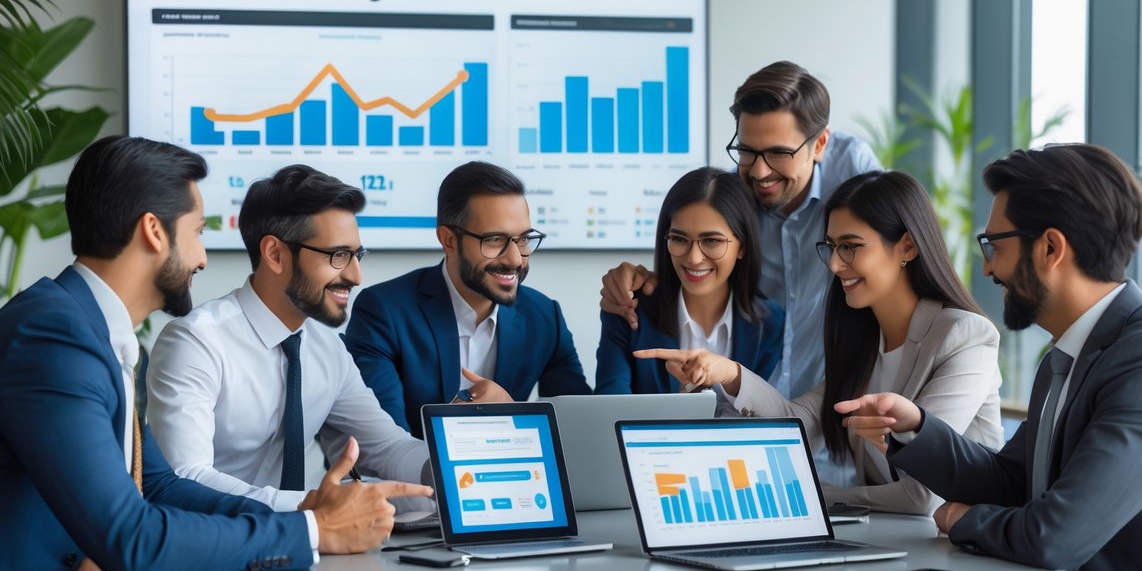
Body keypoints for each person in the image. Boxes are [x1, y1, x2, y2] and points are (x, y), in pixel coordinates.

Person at [0, 138, 429, 571]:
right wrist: (313, 531)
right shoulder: (54, 333)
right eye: (196, 230)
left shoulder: (94, 330)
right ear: (153, 232)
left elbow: (159, 483)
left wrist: (315, 518)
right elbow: (135, 537)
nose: (202, 255)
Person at [837, 144, 1142, 571]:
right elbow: (1012, 482)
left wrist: (962, 519)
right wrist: (914, 428)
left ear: (1050, 248)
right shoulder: (1065, 358)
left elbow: (1056, 537)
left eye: (994, 245)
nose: (988, 269)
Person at [636, 170, 1002, 514]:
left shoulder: (965, 336)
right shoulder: (863, 339)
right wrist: (729, 373)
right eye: (830, 247)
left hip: (967, 552)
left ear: (907, 247)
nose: (834, 265)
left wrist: (805, 492)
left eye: (851, 247)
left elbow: (922, 495)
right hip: (898, 542)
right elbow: (796, 422)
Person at [146, 164, 445, 511]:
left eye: (357, 255)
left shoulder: (327, 347)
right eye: (339, 256)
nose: (356, 275)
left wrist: (458, 468)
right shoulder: (195, 342)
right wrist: (316, 507)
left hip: (304, 548)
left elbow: (385, 447)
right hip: (213, 547)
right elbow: (186, 477)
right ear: (275, 254)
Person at [600, 61, 882, 399]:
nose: (760, 172)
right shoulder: (734, 198)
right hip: (758, 403)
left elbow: (898, 260)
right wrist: (638, 279)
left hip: (829, 402)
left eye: (778, 153)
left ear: (819, 145)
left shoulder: (855, 174)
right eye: (747, 152)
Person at [345, 161, 590, 439]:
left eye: (523, 239)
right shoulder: (384, 312)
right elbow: (380, 441)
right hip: (415, 480)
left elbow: (579, 429)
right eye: (495, 240)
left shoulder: (545, 317)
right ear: (448, 240)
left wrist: (513, 416)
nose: (514, 259)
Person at [594, 166, 783, 396]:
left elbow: (769, 414)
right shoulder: (630, 311)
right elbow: (609, 411)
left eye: (712, 241)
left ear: (742, 246)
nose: (693, 258)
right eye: (679, 239)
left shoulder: (772, 323)